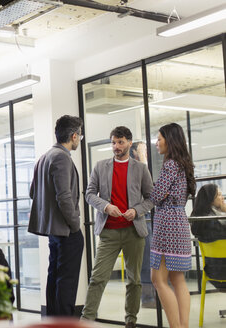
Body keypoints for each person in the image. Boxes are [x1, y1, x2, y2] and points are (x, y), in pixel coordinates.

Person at [81, 127, 154, 327]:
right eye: (113, 142)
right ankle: (86, 320)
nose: (116, 147)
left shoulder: (140, 169)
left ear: (129, 143)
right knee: (97, 278)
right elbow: (89, 194)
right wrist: (105, 206)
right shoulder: (100, 166)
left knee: (134, 280)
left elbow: (151, 198)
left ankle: (131, 320)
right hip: (108, 232)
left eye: (120, 142)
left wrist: (137, 210)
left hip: (134, 232)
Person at [28, 115, 84, 317]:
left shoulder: (45, 156)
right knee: (66, 283)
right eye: (80, 136)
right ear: (74, 136)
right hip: (67, 231)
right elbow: (64, 197)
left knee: (55, 279)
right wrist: (75, 225)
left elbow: (32, 192)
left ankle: (52, 321)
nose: (80, 140)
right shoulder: (61, 157)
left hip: (54, 231)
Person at [150, 123, 196, 328]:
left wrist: (160, 193)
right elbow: (162, 194)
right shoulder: (183, 164)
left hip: (166, 225)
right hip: (179, 223)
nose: (157, 142)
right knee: (177, 279)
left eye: (159, 138)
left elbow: (156, 195)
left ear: (170, 140)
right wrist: (162, 193)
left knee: (158, 278)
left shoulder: (170, 165)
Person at [130, 141, 156, 309]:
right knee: (146, 258)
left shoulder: (146, 167)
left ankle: (154, 296)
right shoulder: (135, 167)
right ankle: (147, 298)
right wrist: (142, 156)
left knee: (153, 257)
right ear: (134, 153)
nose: (146, 152)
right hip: (140, 217)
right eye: (142, 149)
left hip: (150, 215)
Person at [190, 183, 226, 290]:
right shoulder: (214, 222)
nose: (222, 197)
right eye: (219, 195)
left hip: (212, 273)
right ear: (211, 200)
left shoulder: (200, 221)